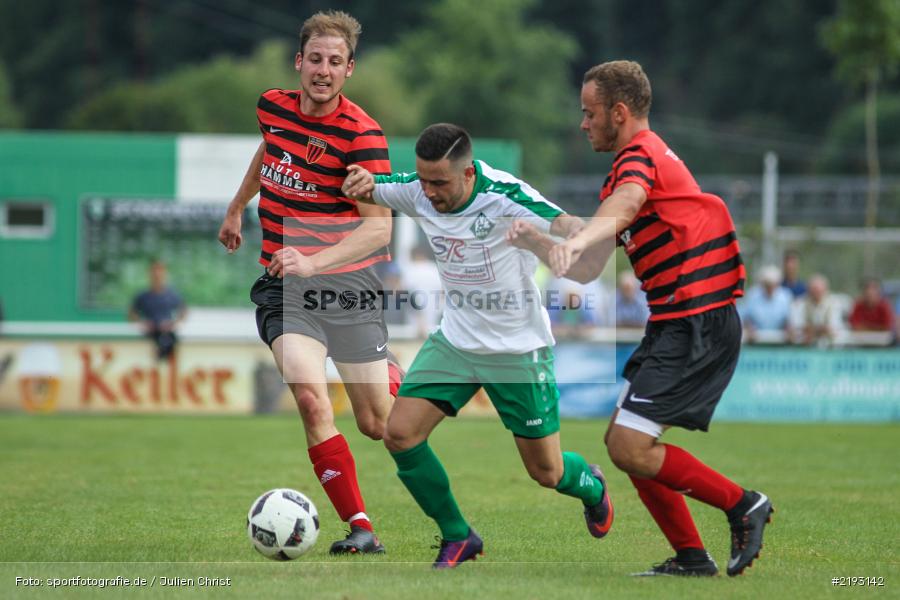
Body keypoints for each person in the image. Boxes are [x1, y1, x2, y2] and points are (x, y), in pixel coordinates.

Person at [342, 123, 613, 569]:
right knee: (400, 435)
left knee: (547, 472)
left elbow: (567, 222)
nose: (428, 192)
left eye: (439, 183)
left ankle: (591, 485)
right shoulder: (417, 188)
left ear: (468, 174)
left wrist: (574, 239)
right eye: (423, 180)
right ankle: (457, 535)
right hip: (457, 341)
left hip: (517, 350)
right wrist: (360, 182)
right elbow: (376, 187)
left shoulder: (506, 196)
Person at [545, 60, 772, 577]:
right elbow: (588, 266)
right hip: (677, 321)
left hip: (698, 321)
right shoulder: (631, 164)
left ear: (619, 113)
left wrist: (578, 234)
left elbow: (626, 205)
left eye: (589, 113)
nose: (583, 124)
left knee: (629, 445)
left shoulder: (639, 157)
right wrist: (539, 239)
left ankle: (743, 504)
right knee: (623, 442)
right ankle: (692, 557)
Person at [217, 10, 402, 555]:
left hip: (344, 285)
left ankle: (392, 377)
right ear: (300, 61)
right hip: (281, 284)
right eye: (315, 59)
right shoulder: (271, 106)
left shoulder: (363, 136)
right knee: (308, 395)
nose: (323, 70)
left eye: (335, 62)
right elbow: (268, 150)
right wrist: (236, 205)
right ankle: (361, 527)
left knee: (378, 425)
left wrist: (315, 262)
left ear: (350, 69)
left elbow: (379, 230)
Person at [129, 260, 186, 360]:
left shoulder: (172, 295)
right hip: (150, 333)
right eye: (154, 271)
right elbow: (132, 313)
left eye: (160, 270)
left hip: (167, 332)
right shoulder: (143, 296)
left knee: (169, 341)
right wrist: (143, 323)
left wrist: (172, 324)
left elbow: (183, 312)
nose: (157, 274)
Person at [739, 265, 793, 343]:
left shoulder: (785, 296)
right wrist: (748, 327)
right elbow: (744, 317)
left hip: (779, 341)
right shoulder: (752, 295)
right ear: (762, 283)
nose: (770, 288)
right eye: (767, 284)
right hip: (755, 341)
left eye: (772, 284)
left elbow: (789, 320)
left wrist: (789, 328)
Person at [789, 274, 844, 346]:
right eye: (813, 290)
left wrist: (812, 330)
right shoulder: (799, 304)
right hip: (805, 348)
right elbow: (795, 328)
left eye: (818, 291)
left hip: (829, 348)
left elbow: (834, 329)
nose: (815, 293)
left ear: (825, 290)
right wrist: (820, 330)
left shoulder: (834, 303)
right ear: (808, 290)